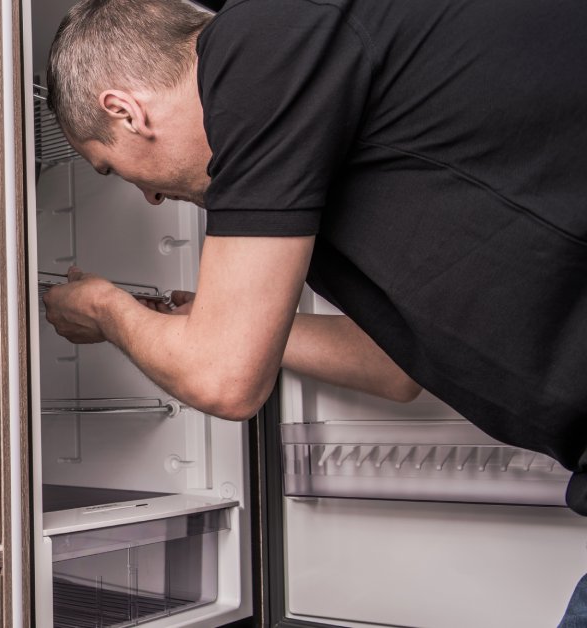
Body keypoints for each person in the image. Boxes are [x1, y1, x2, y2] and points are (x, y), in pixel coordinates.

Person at [39, 0, 587, 623]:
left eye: (112, 169)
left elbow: (225, 380)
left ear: (125, 111)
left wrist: (103, 308)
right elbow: (395, 365)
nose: (152, 197)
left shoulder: (259, 44)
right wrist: (205, 322)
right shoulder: (310, 131)